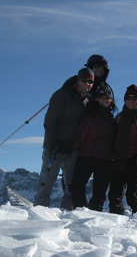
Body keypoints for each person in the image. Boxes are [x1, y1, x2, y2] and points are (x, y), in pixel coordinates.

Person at [34, 68, 94, 210]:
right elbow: (49, 121)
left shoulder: (85, 100)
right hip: (53, 148)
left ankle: (66, 216)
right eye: (84, 81)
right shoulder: (62, 95)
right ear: (77, 80)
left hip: (71, 148)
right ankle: (37, 216)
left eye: (90, 82)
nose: (87, 84)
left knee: (71, 187)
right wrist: (53, 142)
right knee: (46, 184)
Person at [69, 84, 117, 211]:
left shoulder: (112, 119)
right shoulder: (89, 116)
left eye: (107, 98)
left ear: (111, 100)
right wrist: (69, 146)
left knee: (99, 192)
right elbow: (80, 136)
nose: (105, 100)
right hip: (87, 156)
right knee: (77, 186)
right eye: (102, 98)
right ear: (96, 99)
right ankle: (82, 212)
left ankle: (93, 215)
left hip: (104, 160)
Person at [108, 85, 137, 215]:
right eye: (128, 98)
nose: (131, 101)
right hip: (119, 160)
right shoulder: (119, 118)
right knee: (114, 194)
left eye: (134, 98)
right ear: (125, 99)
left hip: (136, 160)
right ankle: (116, 220)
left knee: (133, 195)